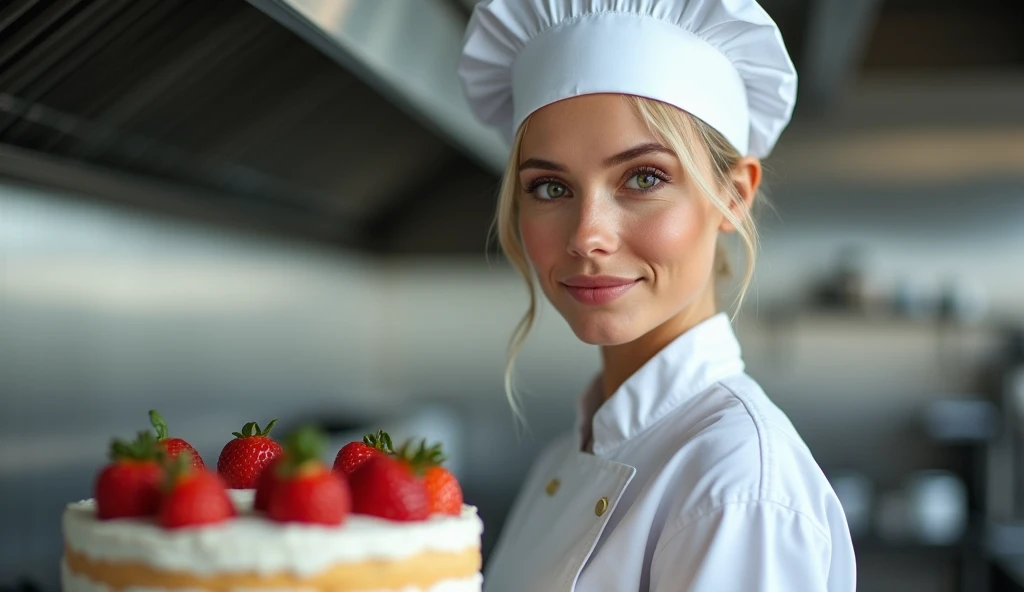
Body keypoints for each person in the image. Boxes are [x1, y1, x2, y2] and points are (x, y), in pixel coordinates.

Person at [457, 0, 856, 590]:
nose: (588, 235)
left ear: (733, 195)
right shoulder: (570, 454)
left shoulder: (738, 487)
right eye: (549, 186)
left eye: (644, 177)